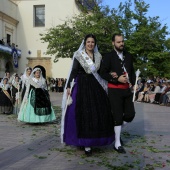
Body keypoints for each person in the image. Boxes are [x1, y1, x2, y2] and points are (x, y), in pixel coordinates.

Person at [61, 34, 114, 156]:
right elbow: (74, 71)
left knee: (99, 112)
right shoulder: (79, 55)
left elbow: (101, 72)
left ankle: (95, 140)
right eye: (88, 42)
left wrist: (112, 76)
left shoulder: (99, 56)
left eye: (92, 42)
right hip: (82, 86)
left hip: (95, 86)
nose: (90, 44)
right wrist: (69, 85)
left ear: (95, 44)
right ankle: (86, 144)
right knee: (83, 113)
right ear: (85, 43)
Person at [100, 33, 136, 154]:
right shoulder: (108, 56)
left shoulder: (129, 55)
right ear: (113, 43)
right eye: (119, 42)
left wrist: (134, 83)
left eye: (122, 41)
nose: (121, 44)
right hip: (114, 90)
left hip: (127, 90)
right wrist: (116, 79)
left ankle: (116, 132)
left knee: (130, 114)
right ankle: (117, 143)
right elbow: (102, 73)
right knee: (117, 116)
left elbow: (132, 71)